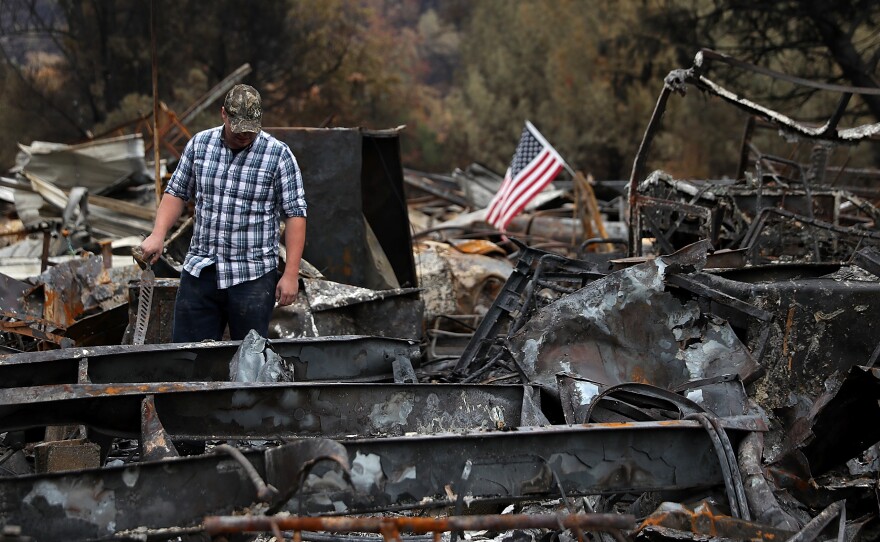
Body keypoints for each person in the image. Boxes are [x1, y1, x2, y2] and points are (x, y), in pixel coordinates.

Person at [139, 84, 307, 342]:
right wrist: (158, 234)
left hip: (252, 275)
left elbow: (295, 214)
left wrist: (291, 274)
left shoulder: (279, 155)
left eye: (251, 130)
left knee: (248, 359)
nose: (244, 135)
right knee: (188, 356)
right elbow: (176, 193)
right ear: (223, 115)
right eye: (238, 128)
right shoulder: (200, 145)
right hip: (201, 270)